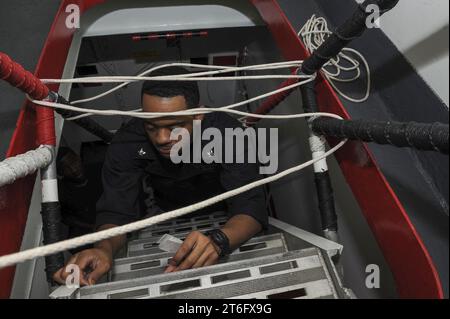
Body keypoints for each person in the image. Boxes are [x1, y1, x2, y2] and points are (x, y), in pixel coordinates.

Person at [53, 66, 267, 286]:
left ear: (198, 115)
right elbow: (116, 211)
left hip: (224, 215)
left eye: (174, 126)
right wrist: (103, 249)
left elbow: (250, 205)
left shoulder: (228, 133)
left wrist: (219, 240)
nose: (162, 138)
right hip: (167, 211)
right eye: (151, 126)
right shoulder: (128, 141)